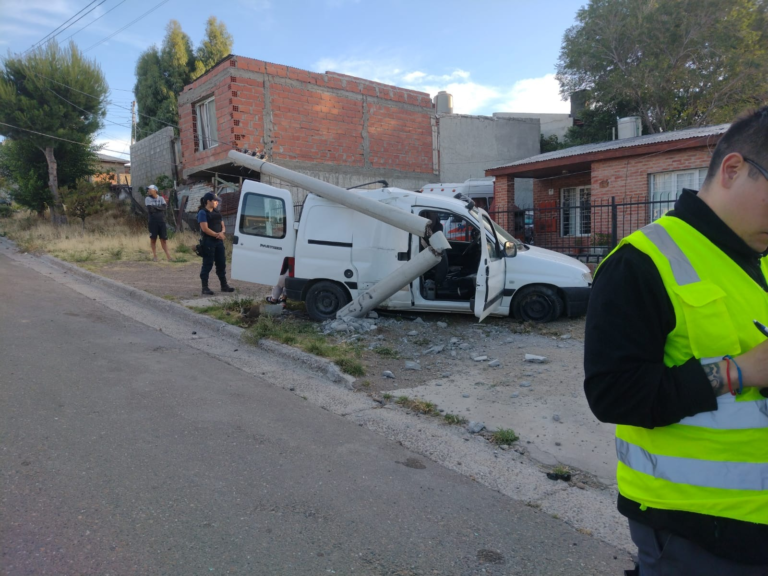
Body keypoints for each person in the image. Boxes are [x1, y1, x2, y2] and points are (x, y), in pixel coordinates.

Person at [584, 107, 768, 575]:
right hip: (696, 532)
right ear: (734, 169)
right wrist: (739, 371)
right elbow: (614, 396)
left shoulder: (758, 258)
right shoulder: (641, 263)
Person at [197, 192, 235, 295]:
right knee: (207, 264)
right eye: (215, 200)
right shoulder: (202, 212)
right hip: (208, 242)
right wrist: (217, 235)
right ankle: (204, 287)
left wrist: (221, 233)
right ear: (208, 201)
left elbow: (223, 225)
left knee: (221, 264)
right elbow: (204, 228)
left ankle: (224, 285)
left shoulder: (217, 212)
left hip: (218, 242)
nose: (217, 202)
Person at [145, 184, 172, 262]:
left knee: (163, 239)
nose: (148, 191)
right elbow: (150, 209)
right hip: (152, 221)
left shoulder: (161, 198)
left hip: (161, 221)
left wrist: (156, 208)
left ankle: (168, 256)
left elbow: (164, 207)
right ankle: (155, 256)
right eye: (148, 190)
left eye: (150, 189)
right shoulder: (147, 199)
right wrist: (159, 208)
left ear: (155, 190)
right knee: (153, 239)